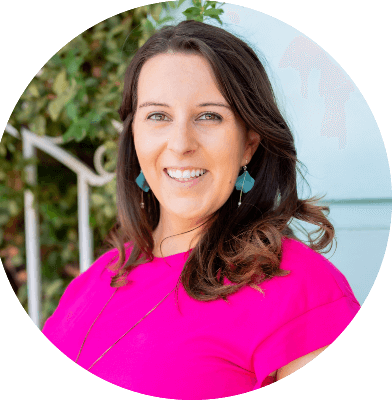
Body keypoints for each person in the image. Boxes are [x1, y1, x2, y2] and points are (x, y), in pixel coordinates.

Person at [42, 20, 360, 398]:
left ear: (249, 143)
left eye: (209, 116)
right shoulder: (93, 280)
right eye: (158, 116)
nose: (180, 144)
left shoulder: (301, 289)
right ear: (135, 138)